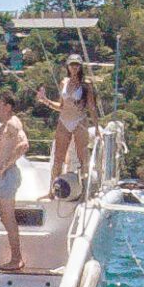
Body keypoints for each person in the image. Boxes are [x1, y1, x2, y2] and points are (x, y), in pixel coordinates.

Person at [39, 54, 95, 192]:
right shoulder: (64, 82)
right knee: (58, 158)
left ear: (80, 66)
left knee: (83, 159)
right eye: (72, 65)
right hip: (64, 121)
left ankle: (85, 191)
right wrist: (45, 100)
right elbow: (61, 106)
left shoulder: (86, 84)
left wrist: (97, 127)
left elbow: (91, 107)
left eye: (76, 65)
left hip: (79, 121)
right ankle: (52, 191)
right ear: (68, 66)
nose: (74, 67)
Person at [0, 92, 30, 271]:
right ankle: (14, 257)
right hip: (1, 176)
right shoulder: (4, 126)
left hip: (7, 176)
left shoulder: (13, 123)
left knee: (8, 218)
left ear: (8, 106)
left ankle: (17, 258)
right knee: (4, 217)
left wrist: (4, 165)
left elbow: (24, 144)